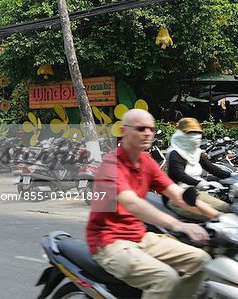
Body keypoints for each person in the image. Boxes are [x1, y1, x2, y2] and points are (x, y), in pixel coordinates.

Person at [86, 109, 218, 299]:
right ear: (124, 131)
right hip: (109, 243)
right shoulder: (110, 165)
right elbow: (132, 204)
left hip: (140, 237)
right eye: (141, 129)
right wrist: (179, 225)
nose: (147, 133)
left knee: (201, 260)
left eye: (151, 129)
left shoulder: (147, 161)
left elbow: (178, 195)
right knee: (165, 278)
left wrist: (218, 216)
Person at [166, 117, 230, 220]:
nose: (195, 137)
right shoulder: (175, 153)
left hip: (196, 193)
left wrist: (232, 176)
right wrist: (199, 183)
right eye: (191, 133)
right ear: (181, 135)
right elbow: (180, 175)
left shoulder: (196, 152)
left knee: (228, 208)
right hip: (178, 196)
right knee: (218, 218)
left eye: (198, 133)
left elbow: (211, 168)